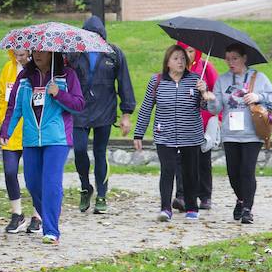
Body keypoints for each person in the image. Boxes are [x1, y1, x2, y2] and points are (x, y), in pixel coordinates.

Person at [1, 51, 84, 244]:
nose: (37, 55)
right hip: (31, 139)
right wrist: (6, 130)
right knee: (32, 183)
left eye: (42, 51)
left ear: (52, 52)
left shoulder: (67, 75)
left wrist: (59, 94)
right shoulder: (24, 77)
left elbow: (79, 105)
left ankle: (51, 230)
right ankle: (48, 219)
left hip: (57, 139)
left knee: (51, 183)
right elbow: (14, 106)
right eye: (35, 51)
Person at [200, 43, 272, 224]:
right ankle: (241, 199)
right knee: (233, 172)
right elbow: (215, 109)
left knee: (247, 171)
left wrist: (258, 97)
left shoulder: (259, 78)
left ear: (244, 58)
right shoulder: (222, 80)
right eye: (227, 59)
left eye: (234, 58)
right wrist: (209, 97)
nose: (230, 62)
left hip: (252, 133)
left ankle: (247, 210)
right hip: (230, 133)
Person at [66, 16, 136, 214]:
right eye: (89, 34)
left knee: (100, 152)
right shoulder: (73, 54)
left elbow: (124, 83)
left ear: (103, 36)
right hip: (79, 111)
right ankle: (85, 187)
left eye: (96, 34)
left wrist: (126, 114)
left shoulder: (114, 54)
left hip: (104, 111)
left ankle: (102, 195)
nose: (93, 38)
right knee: (79, 150)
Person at [133, 44, 205, 222]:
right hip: (165, 135)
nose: (180, 62)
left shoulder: (195, 80)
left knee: (190, 172)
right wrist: (138, 133)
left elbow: (206, 107)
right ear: (168, 62)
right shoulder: (157, 81)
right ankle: (165, 208)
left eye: (183, 59)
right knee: (167, 170)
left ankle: (192, 207)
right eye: (176, 59)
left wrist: (204, 93)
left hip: (190, 135)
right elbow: (146, 108)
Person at [0, 48, 41, 234]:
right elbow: (2, 96)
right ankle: (17, 214)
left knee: (34, 175)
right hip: (11, 131)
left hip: (31, 130)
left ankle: (38, 215)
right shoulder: (8, 68)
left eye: (22, 54)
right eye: (16, 53)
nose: (19, 57)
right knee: (10, 171)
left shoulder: (37, 71)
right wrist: (2, 118)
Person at [172, 42, 219, 212]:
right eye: (183, 51)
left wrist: (205, 93)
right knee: (181, 160)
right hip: (183, 122)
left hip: (204, 122)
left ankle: (205, 195)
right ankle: (181, 195)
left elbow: (217, 93)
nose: (187, 54)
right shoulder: (176, 69)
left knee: (203, 160)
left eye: (191, 51)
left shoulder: (207, 68)